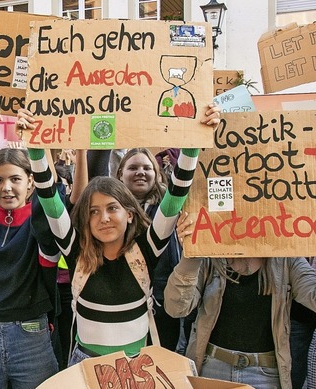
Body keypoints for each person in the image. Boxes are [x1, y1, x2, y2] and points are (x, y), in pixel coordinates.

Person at [25, 105, 220, 364]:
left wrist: (193, 139)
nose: (103, 218)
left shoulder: (147, 247)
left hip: (138, 367)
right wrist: (35, 142)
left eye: (112, 208)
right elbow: (48, 196)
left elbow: (176, 194)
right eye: (93, 211)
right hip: (85, 366)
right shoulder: (75, 249)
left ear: (130, 213)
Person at [0, 115, 62, 389]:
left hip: (30, 338)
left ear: (31, 182)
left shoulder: (40, 222)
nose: (6, 187)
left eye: (15, 179)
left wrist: (41, 143)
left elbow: (53, 201)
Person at [165, 213, 316, 389]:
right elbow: (176, 308)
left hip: (265, 375)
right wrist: (191, 255)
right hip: (212, 368)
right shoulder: (209, 255)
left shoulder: (286, 260)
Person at [115, 148, 184, 352]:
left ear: (156, 173)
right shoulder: (110, 208)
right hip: (121, 299)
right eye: (133, 167)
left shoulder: (169, 205)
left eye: (147, 168)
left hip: (163, 299)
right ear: (120, 173)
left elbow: (184, 179)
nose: (140, 172)